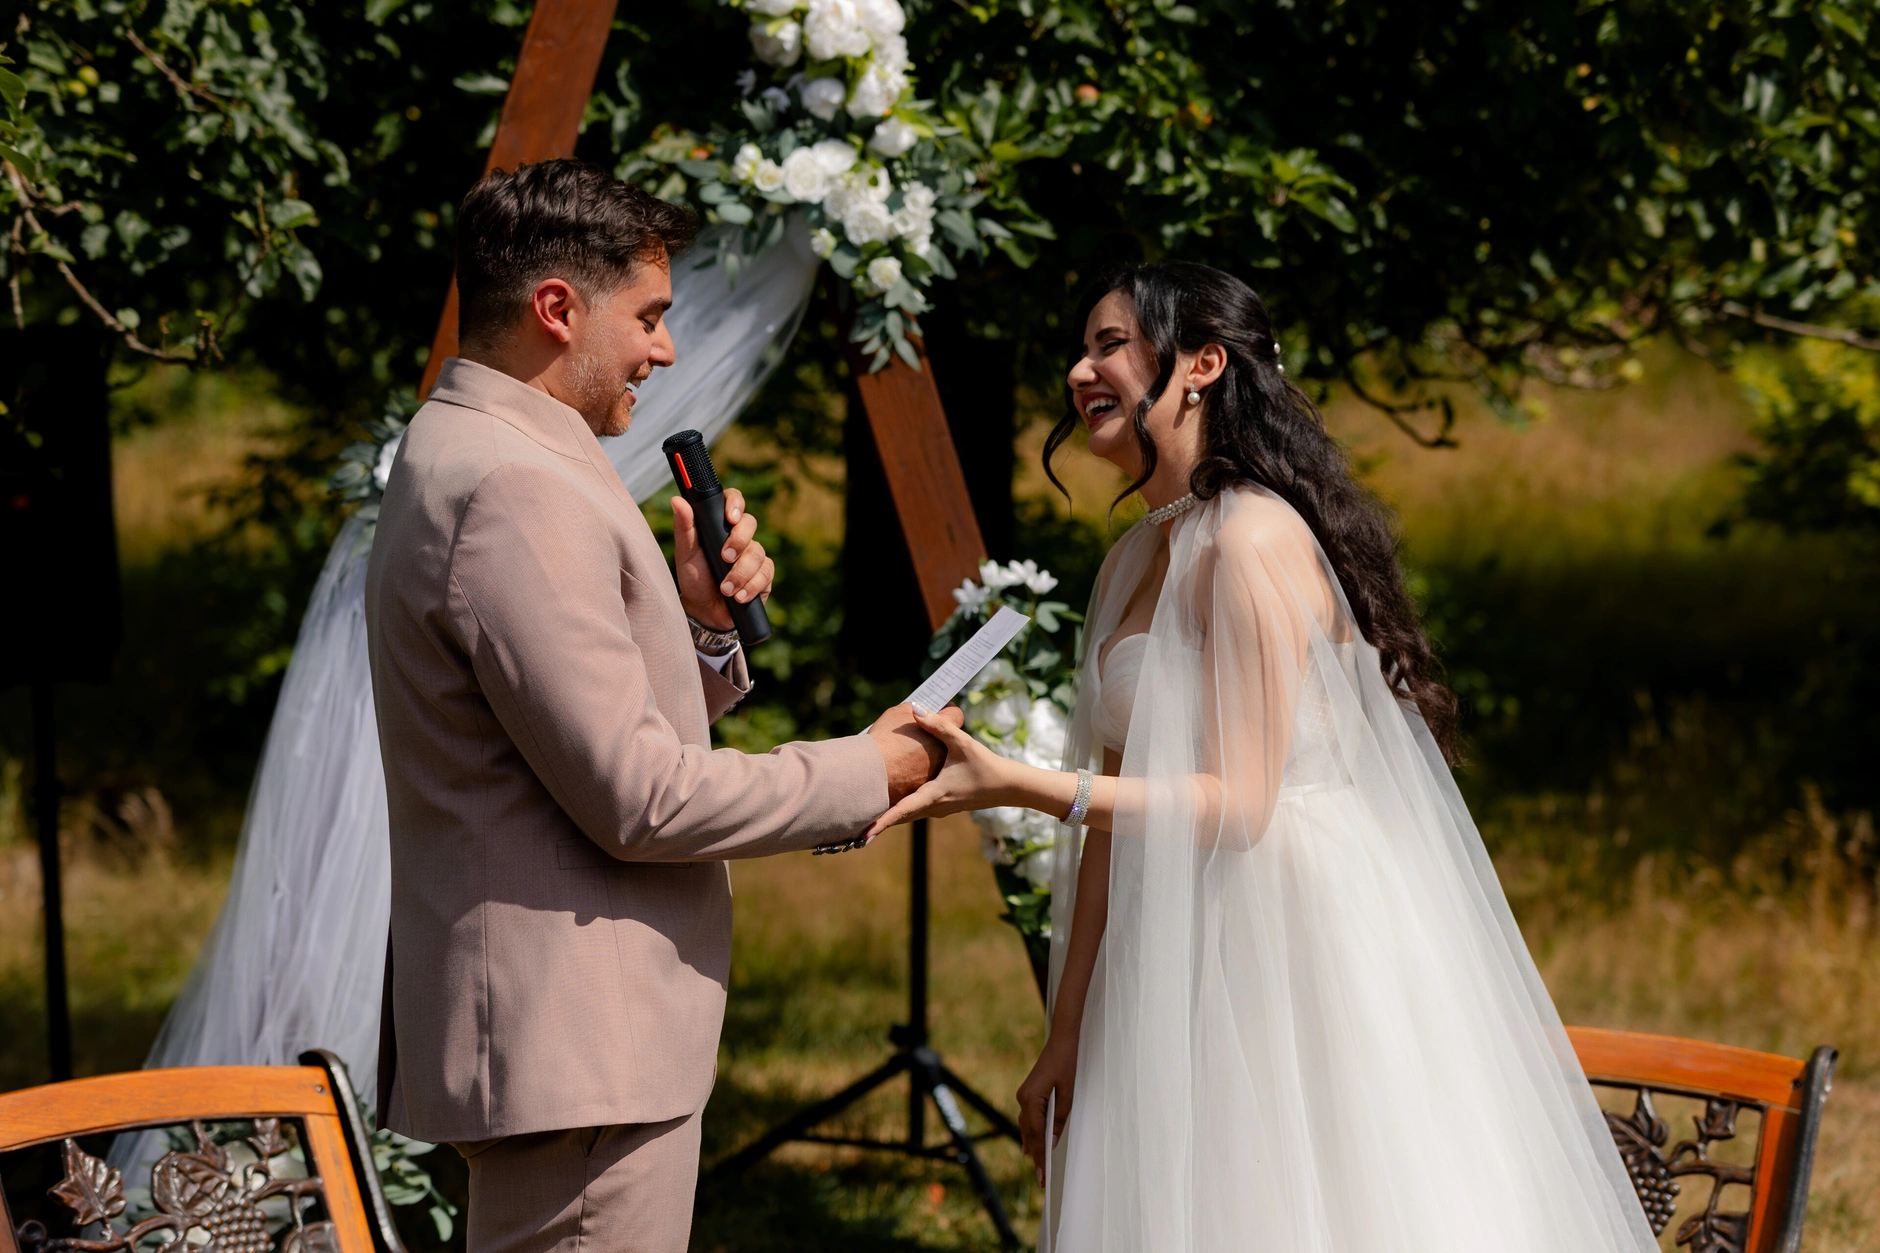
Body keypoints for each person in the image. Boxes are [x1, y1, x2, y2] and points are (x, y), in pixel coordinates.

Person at [867, 263, 1659, 1252]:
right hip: (1164, 944)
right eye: (1083, 348)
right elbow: (1113, 812)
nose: (1079, 371)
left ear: (1200, 363)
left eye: (1110, 343)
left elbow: (1242, 801)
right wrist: (1067, 1029)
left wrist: (1016, 782)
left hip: (1288, 930)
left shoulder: (1245, 540)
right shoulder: (1134, 554)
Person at [365, 159, 953, 1253]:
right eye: (647, 315)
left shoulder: (478, 447)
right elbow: (637, 795)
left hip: (570, 1044)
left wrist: (697, 622)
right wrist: (871, 766)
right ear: (556, 309)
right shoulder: (513, 485)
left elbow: (553, 732)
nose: (666, 349)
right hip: (578, 1052)